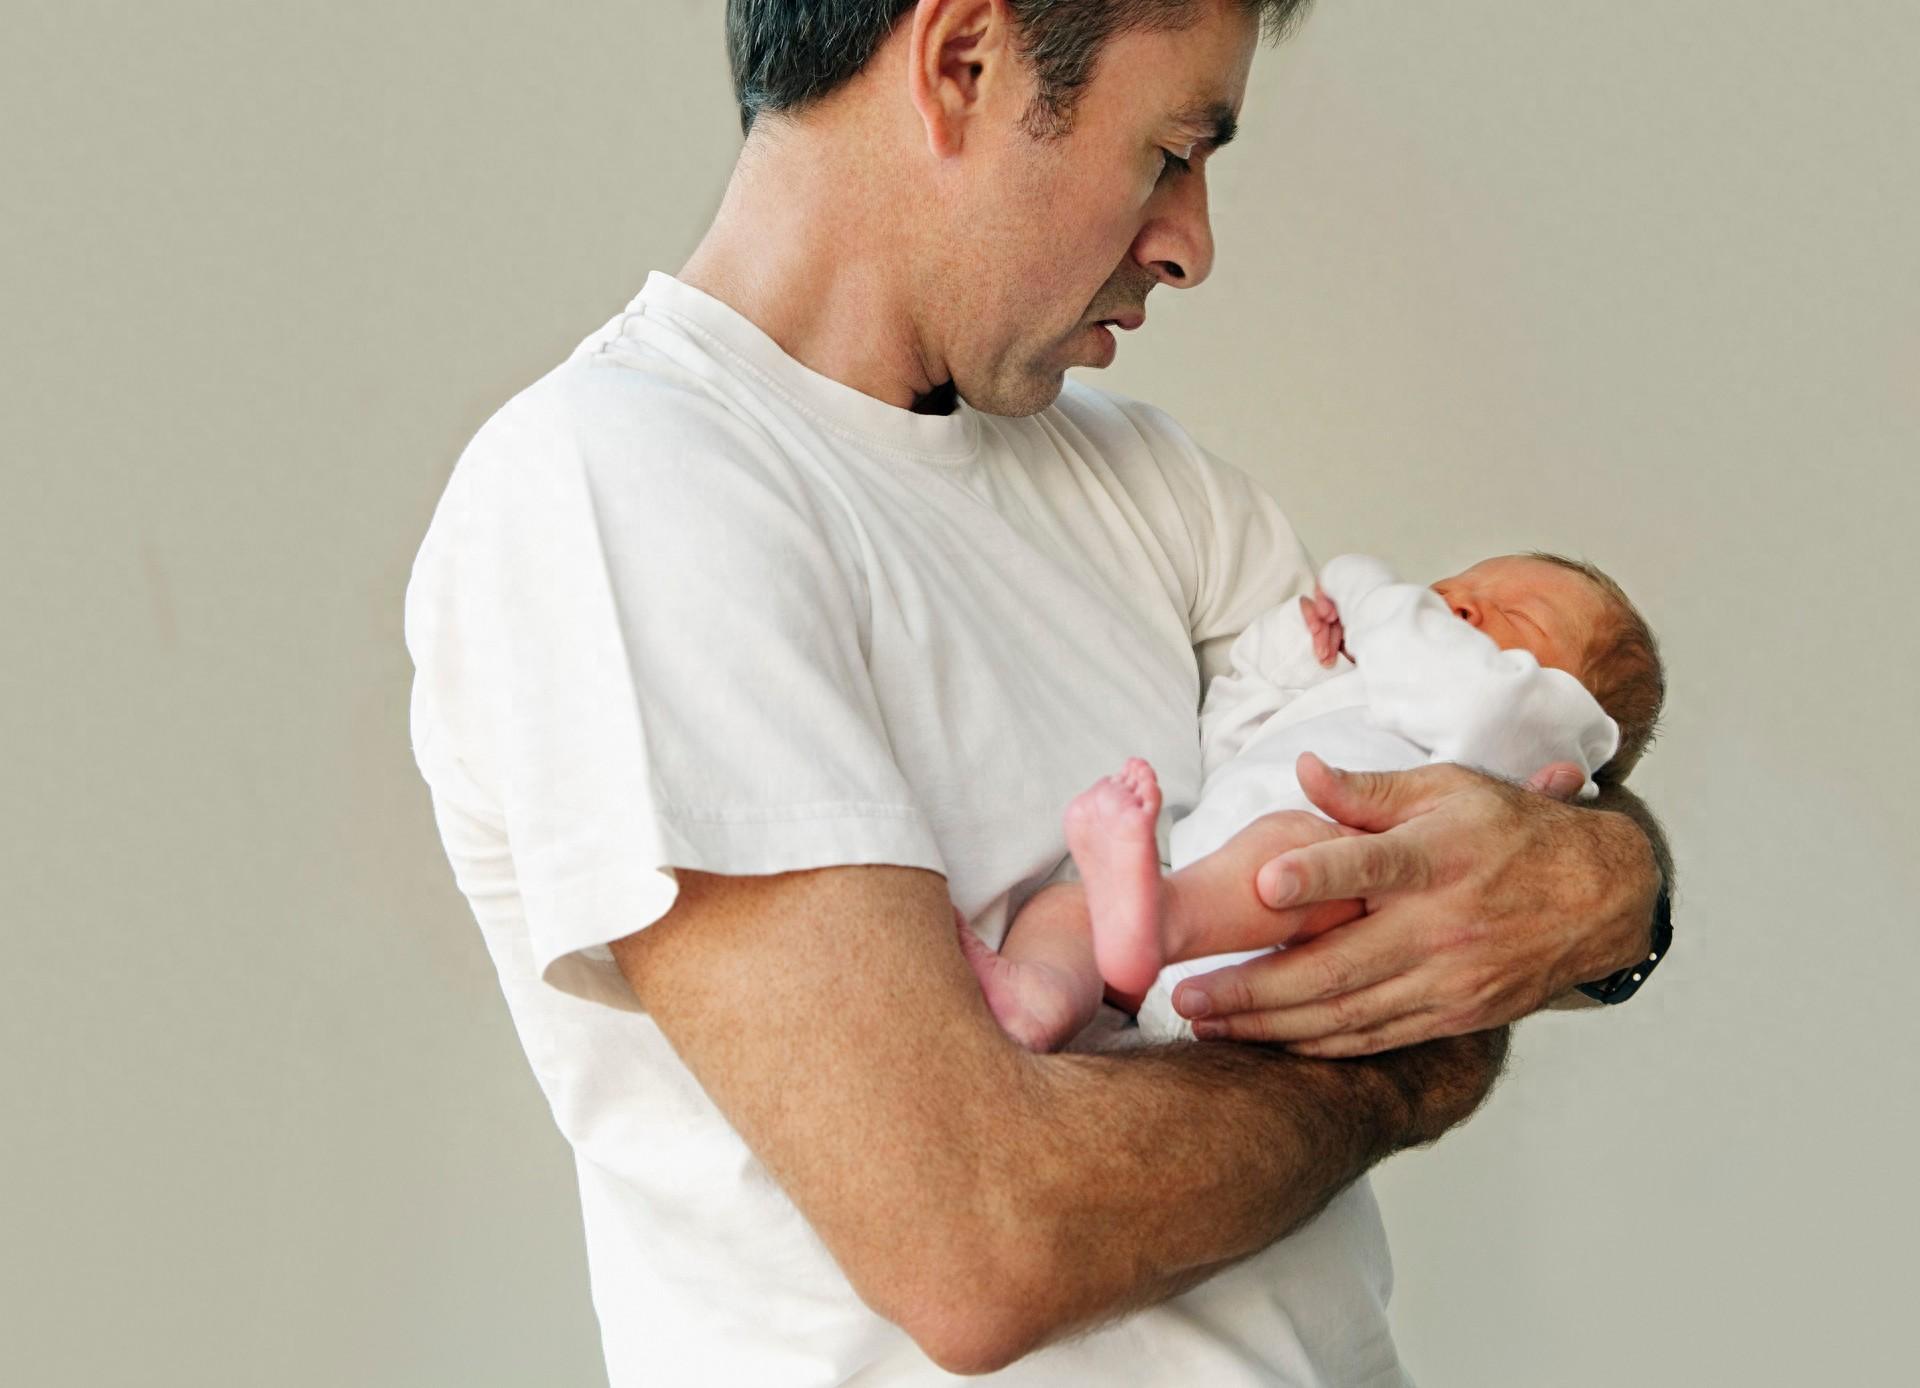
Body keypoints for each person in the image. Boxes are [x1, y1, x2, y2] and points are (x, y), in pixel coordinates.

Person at [403, 1, 1672, 1381]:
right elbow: (984, 1243)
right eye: (1171, 151)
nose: (1191, 245)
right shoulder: (625, 485)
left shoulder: (1146, 479)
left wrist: (1611, 882)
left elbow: (1439, 773)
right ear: (964, 64)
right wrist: (1420, 1063)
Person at [962, 551, 1665, 1053]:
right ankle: (1042, 996)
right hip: (1180, 916)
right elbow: (1228, 746)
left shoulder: (1532, 726)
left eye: (1518, 617)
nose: (1460, 603)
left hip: (1300, 923)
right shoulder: (1359, 692)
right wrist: (1294, 658)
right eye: (1453, 587)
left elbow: (1456, 677)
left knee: (1295, 849)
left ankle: (1161, 921)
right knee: (1067, 907)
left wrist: (1363, 587)